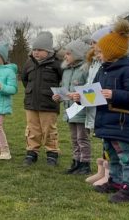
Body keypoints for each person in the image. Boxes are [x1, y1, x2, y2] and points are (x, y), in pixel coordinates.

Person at [76, 19, 129, 203]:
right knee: (111, 154)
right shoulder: (104, 69)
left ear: (111, 51)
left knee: (126, 157)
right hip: (105, 120)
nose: (96, 55)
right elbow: (96, 92)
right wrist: (80, 97)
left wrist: (113, 93)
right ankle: (115, 182)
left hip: (121, 121)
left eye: (99, 52)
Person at [22, 31, 63, 166]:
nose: (36, 52)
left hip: (49, 104)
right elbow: (25, 80)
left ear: (49, 51)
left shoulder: (57, 65)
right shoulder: (29, 64)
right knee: (32, 129)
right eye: (34, 49)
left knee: (49, 130)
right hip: (31, 103)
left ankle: (52, 154)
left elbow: (62, 82)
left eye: (40, 50)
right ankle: (31, 153)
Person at [52, 39, 91, 174]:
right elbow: (65, 88)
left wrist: (79, 95)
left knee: (82, 138)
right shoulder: (66, 71)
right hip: (70, 109)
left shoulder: (86, 69)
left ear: (78, 54)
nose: (65, 56)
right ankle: (76, 161)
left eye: (69, 53)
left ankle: (85, 163)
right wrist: (59, 96)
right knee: (74, 138)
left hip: (81, 108)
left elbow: (90, 90)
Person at [83, 26, 112, 185]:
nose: (91, 46)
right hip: (95, 104)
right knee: (103, 140)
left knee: (109, 141)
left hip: (106, 106)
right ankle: (102, 171)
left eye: (94, 42)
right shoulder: (95, 62)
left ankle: (109, 173)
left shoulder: (105, 63)